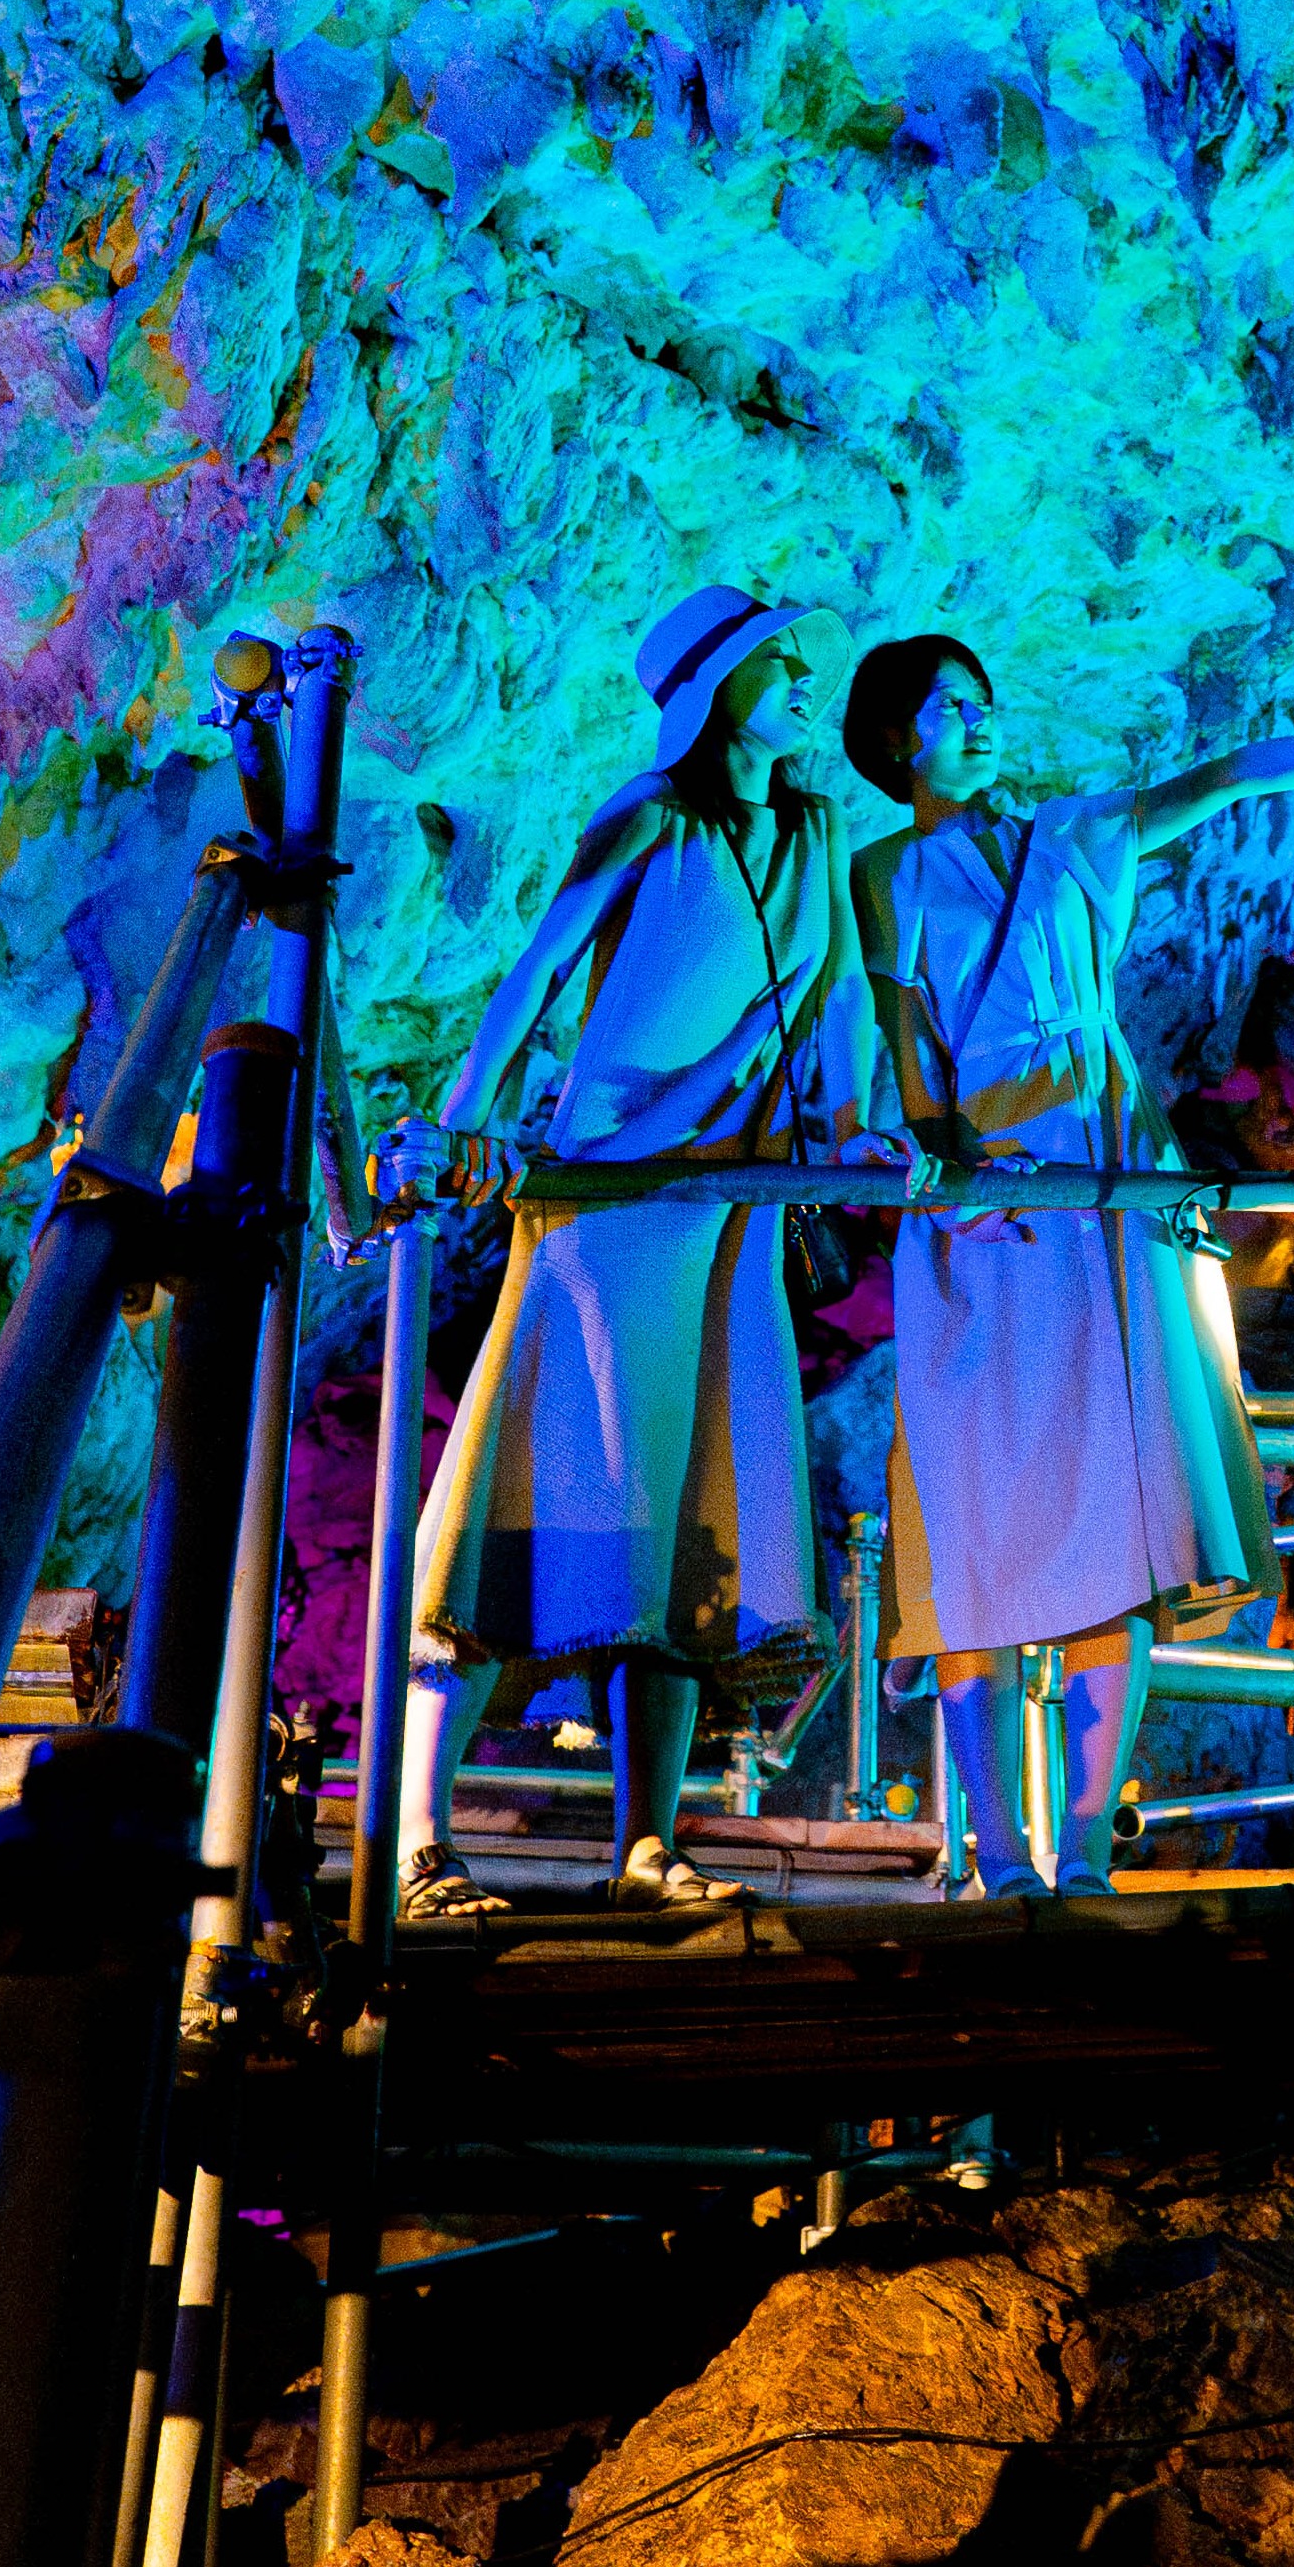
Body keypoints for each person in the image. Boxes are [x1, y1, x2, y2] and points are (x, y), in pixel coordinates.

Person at [846, 638, 1294, 1894]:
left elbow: (1231, 774)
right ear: (896, 738)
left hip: (1113, 1178)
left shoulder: (1076, 834)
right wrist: (947, 1169)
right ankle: (995, 1844)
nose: (976, 721)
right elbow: (909, 1039)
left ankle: (1077, 1844)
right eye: (947, 707)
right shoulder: (888, 869)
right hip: (997, 1192)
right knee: (973, 1508)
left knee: (1116, 1508)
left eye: (983, 698)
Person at [384, 585, 865, 1915]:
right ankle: (415, 1836)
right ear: (719, 685)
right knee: (540, 1490)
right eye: (779, 664)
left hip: (729, 1205)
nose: (805, 682)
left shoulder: (811, 828)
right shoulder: (647, 813)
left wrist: (854, 1129)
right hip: (614, 1195)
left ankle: (646, 1846)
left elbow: (822, 1004)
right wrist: (467, 1122)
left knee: (687, 1517)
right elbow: (540, 969)